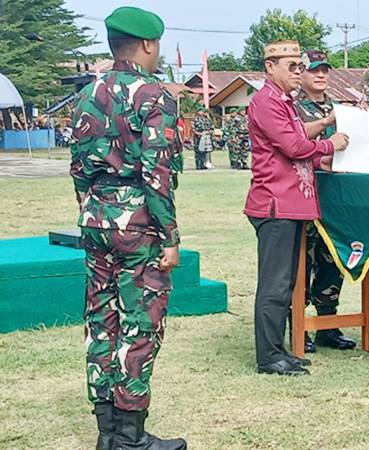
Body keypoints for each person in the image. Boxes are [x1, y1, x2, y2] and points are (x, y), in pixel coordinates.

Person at [69, 6, 186, 449]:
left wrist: (91, 209)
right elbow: (157, 172)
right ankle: (130, 437)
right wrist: (169, 236)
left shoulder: (88, 92)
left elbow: (78, 166)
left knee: (101, 323)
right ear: (149, 44)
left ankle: (107, 433)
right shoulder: (153, 94)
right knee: (140, 324)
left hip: (97, 218)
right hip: (138, 224)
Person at [244, 40, 350, 376]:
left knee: (286, 282)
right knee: (275, 283)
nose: (298, 72)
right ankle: (268, 356)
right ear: (269, 67)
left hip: (290, 203)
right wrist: (329, 143)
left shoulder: (284, 102)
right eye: (291, 66)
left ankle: (279, 351)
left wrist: (324, 154)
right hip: (274, 203)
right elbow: (292, 145)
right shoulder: (266, 101)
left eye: (299, 66)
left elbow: (299, 143)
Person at [292, 49, 357, 352]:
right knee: (303, 259)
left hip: (337, 195)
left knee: (332, 259)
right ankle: (299, 326)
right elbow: (293, 140)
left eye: (325, 71)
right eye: (313, 70)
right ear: (300, 73)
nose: (320, 75)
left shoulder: (340, 108)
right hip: (306, 191)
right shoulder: (291, 107)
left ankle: (327, 326)